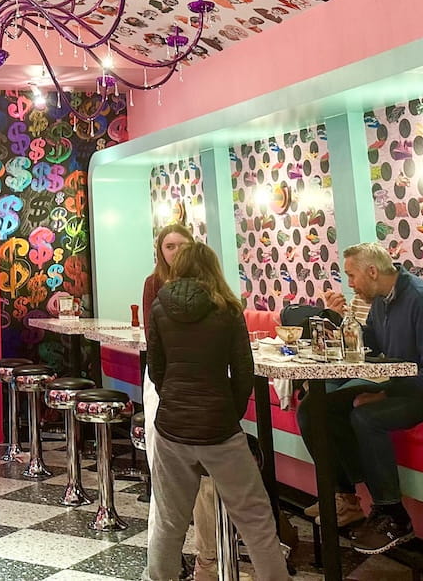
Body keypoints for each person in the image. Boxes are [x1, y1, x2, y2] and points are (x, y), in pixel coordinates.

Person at [297, 242, 423, 554]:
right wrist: (338, 319)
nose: (350, 283)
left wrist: (383, 392)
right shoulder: (383, 301)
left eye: (352, 275)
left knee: (366, 416)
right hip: (397, 385)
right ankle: (345, 496)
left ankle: (393, 514)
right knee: (313, 408)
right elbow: (369, 344)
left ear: (372, 271)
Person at [145, 242, 289, 581]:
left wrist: (175, 400)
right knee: (255, 518)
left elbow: (156, 369)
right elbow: (243, 372)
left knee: (169, 520)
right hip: (218, 426)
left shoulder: (159, 307)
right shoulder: (227, 309)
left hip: (172, 426)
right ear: (213, 268)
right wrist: (229, 413)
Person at [140, 223, 219, 581]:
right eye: (168, 246)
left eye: (180, 246)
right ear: (160, 252)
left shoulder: (214, 291)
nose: (174, 252)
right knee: (166, 475)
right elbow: (155, 346)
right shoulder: (155, 284)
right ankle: (164, 565)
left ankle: (209, 560)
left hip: (202, 388)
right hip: (167, 387)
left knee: (205, 478)